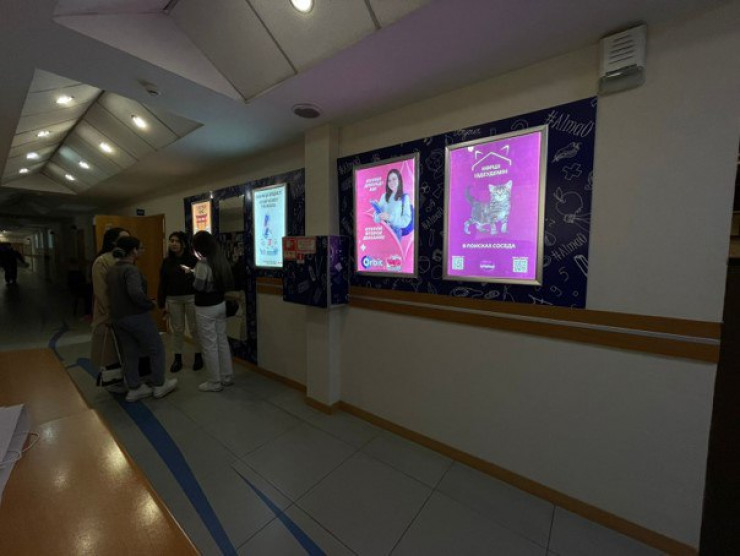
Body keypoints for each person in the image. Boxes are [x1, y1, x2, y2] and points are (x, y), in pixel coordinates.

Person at [107, 236, 177, 402]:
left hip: (118, 318)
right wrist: (150, 304)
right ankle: (159, 384)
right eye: (141, 247)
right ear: (133, 251)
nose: (143, 250)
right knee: (156, 348)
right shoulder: (131, 270)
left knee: (129, 352)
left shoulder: (112, 270)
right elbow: (135, 293)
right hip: (136, 316)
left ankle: (134, 388)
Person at [189, 231, 235, 392]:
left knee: (209, 345)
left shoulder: (202, 264)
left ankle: (214, 382)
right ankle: (227, 376)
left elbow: (199, 287)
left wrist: (191, 276)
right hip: (220, 305)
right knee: (222, 340)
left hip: (205, 308)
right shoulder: (220, 261)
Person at [90, 227, 130, 390]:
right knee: (110, 352)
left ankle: (128, 379)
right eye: (123, 238)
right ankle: (113, 382)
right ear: (113, 242)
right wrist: (110, 313)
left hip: (126, 312)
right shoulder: (102, 262)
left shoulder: (125, 258)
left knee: (125, 350)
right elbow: (101, 293)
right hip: (109, 314)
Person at [158, 231, 203, 373]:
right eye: (171, 241)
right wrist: (161, 302)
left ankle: (198, 355)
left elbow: (199, 279)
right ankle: (177, 358)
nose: (174, 243)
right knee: (177, 330)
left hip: (191, 297)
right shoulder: (167, 261)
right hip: (173, 299)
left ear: (183, 243)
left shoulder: (193, 260)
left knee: (195, 328)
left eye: (177, 241)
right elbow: (163, 283)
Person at [373, 169, 412, 240]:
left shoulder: (404, 197)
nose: (391, 182)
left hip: (395, 234)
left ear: (399, 180)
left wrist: (390, 217)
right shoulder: (384, 196)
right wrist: (378, 214)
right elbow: (376, 219)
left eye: (394, 179)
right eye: (389, 180)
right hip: (383, 232)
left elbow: (406, 221)